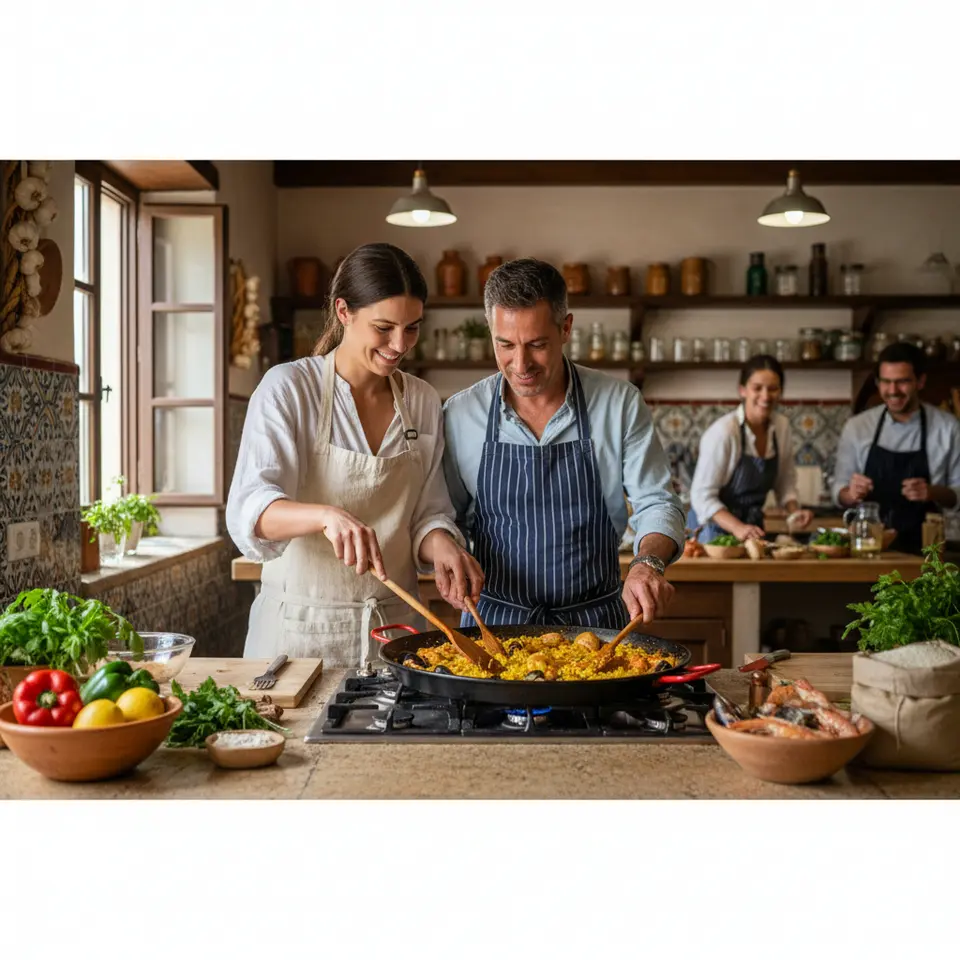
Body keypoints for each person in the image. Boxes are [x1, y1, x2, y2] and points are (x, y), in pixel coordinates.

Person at [227, 242, 483, 667]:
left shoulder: (421, 400)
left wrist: (444, 548)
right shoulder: (289, 388)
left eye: (412, 328)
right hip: (298, 638)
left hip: (397, 635)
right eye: (384, 327)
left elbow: (427, 513)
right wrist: (325, 516)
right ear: (344, 311)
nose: (399, 344)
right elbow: (251, 512)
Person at [442, 257, 685, 629]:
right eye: (505, 344)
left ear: (566, 327)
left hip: (596, 625)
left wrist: (646, 564)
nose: (520, 364)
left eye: (537, 344)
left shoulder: (618, 403)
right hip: (493, 625)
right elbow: (445, 516)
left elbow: (657, 501)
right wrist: (447, 550)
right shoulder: (461, 413)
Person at [832, 341, 960, 554]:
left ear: (920, 381)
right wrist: (850, 493)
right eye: (886, 382)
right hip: (869, 547)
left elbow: (958, 494)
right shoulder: (857, 427)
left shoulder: (948, 428)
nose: (893, 391)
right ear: (877, 382)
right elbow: (839, 491)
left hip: (928, 549)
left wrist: (932, 492)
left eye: (902, 382)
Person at [688, 355, 813, 543]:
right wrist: (737, 528)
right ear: (742, 390)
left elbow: (785, 482)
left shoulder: (781, 427)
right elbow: (701, 497)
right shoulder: (724, 432)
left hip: (752, 528)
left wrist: (794, 511)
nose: (766, 396)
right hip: (713, 531)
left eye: (773, 389)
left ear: (780, 392)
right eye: (757, 388)